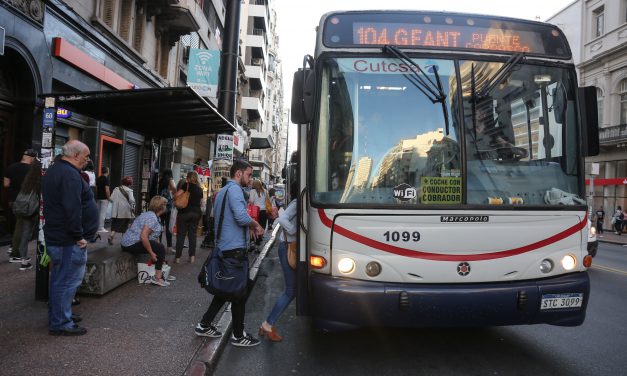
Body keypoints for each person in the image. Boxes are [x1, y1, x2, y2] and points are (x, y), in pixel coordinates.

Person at [194, 159, 264, 347]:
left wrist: (246, 227)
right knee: (239, 291)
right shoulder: (235, 190)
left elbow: (230, 218)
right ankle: (238, 335)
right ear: (238, 173)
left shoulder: (223, 191)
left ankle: (204, 324)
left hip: (225, 247)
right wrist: (255, 224)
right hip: (234, 250)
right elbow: (241, 217)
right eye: (249, 175)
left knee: (230, 289)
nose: (251, 179)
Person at [42, 140, 98, 336]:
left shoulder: (56, 169)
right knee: (66, 281)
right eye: (86, 155)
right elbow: (71, 208)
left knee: (60, 279)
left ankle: (60, 314)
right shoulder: (69, 175)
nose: (87, 159)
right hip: (68, 239)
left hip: (60, 236)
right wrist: (78, 236)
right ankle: (60, 322)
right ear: (76, 155)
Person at [259, 181, 298, 342]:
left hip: (291, 246)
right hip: (288, 247)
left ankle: (267, 324)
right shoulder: (297, 202)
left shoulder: (299, 201)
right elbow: (282, 219)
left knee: (292, 289)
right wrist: (294, 231)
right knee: (291, 290)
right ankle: (267, 324)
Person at [121, 196, 175, 286]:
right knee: (160, 248)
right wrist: (152, 253)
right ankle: (157, 278)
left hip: (134, 241)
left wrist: (159, 254)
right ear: (161, 207)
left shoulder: (155, 216)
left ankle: (161, 272)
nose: (166, 207)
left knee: (159, 248)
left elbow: (154, 238)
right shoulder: (152, 218)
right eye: (165, 205)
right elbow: (143, 236)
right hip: (130, 244)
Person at [4, 149, 37, 258]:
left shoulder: (11, 167)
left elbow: (6, 184)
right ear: (32, 158)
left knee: (16, 223)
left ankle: (13, 246)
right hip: (25, 201)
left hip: (12, 200)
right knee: (22, 226)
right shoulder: (32, 170)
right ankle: (15, 252)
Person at [12, 160, 42, 270]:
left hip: (23, 209)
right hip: (32, 210)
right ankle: (29, 259)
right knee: (29, 234)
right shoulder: (39, 180)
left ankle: (23, 259)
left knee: (24, 234)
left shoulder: (27, 179)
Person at [174, 171, 203, 263]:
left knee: (181, 235)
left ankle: (178, 258)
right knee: (192, 235)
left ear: (189, 178)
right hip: (196, 213)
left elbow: (176, 195)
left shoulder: (186, 185)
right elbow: (201, 203)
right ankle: (192, 257)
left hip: (184, 213)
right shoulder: (200, 189)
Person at [108, 176, 135, 245]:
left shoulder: (116, 189)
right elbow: (132, 200)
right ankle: (124, 240)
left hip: (116, 211)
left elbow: (111, 198)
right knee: (125, 225)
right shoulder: (129, 190)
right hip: (125, 211)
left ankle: (111, 235)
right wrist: (133, 207)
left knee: (115, 224)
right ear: (130, 183)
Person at [158, 169, 177, 252]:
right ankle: (169, 247)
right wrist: (173, 193)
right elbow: (174, 188)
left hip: (160, 203)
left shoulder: (161, 180)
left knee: (160, 225)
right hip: (168, 205)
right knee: (169, 227)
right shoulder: (170, 180)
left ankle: (158, 244)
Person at [248, 180, 268, 249]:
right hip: (264, 211)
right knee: (262, 225)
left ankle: (255, 240)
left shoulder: (252, 191)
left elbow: (251, 201)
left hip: (256, 211)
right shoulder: (265, 191)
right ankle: (259, 238)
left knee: (255, 225)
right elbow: (266, 200)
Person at [96, 167, 111, 233]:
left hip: (98, 197)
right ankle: (101, 228)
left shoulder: (98, 178)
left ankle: (97, 227)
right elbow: (107, 189)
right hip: (104, 198)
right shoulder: (106, 179)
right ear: (107, 171)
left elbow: (96, 188)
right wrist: (109, 197)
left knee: (98, 213)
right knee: (103, 213)